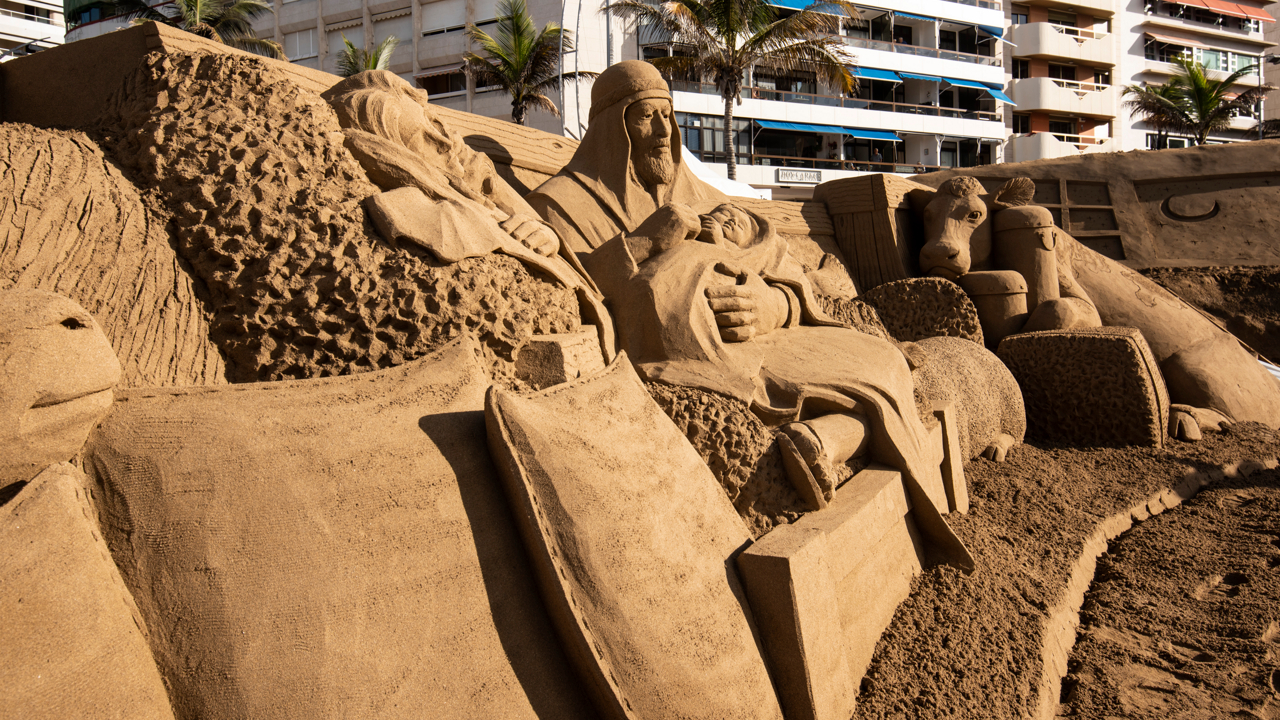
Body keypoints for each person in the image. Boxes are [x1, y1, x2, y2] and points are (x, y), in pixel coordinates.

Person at [583, 200, 974, 570]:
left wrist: (775, 305)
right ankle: (827, 437)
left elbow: (795, 282)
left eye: (734, 217)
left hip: (777, 337)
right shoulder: (589, 207)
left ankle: (827, 439)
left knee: (883, 364)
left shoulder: (756, 246)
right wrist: (647, 239)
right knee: (873, 375)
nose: (723, 218)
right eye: (716, 215)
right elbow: (586, 280)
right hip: (705, 351)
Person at [526, 60, 728, 261]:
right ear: (611, 128)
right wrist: (646, 241)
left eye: (666, 115)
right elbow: (580, 276)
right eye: (647, 115)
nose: (664, 130)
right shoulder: (556, 203)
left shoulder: (708, 198)